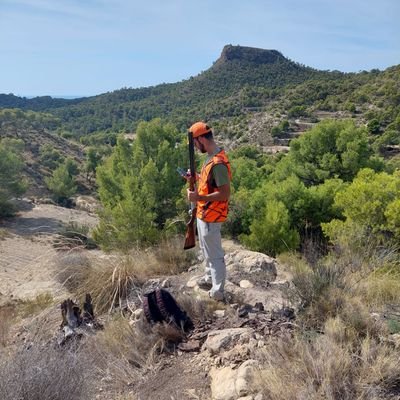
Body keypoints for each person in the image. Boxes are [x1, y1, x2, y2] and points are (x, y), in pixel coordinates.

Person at [186, 121, 232, 301]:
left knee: (215, 255)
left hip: (212, 216)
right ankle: (209, 278)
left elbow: (224, 193)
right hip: (204, 213)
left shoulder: (218, 163)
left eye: (195, 144)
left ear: (201, 139)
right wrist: (195, 177)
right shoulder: (211, 158)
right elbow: (208, 183)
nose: (195, 148)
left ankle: (218, 292)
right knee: (206, 251)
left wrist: (199, 199)